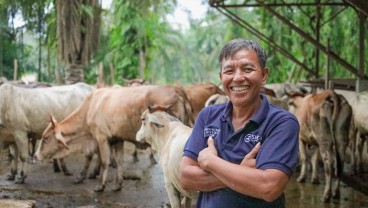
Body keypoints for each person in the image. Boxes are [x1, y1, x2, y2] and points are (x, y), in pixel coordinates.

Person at [179, 38, 299, 207]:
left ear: (264, 75)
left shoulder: (282, 122)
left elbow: (269, 187)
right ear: (221, 78)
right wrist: (242, 169)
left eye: (247, 69)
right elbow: (185, 177)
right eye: (229, 71)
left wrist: (211, 162)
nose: (238, 78)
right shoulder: (207, 116)